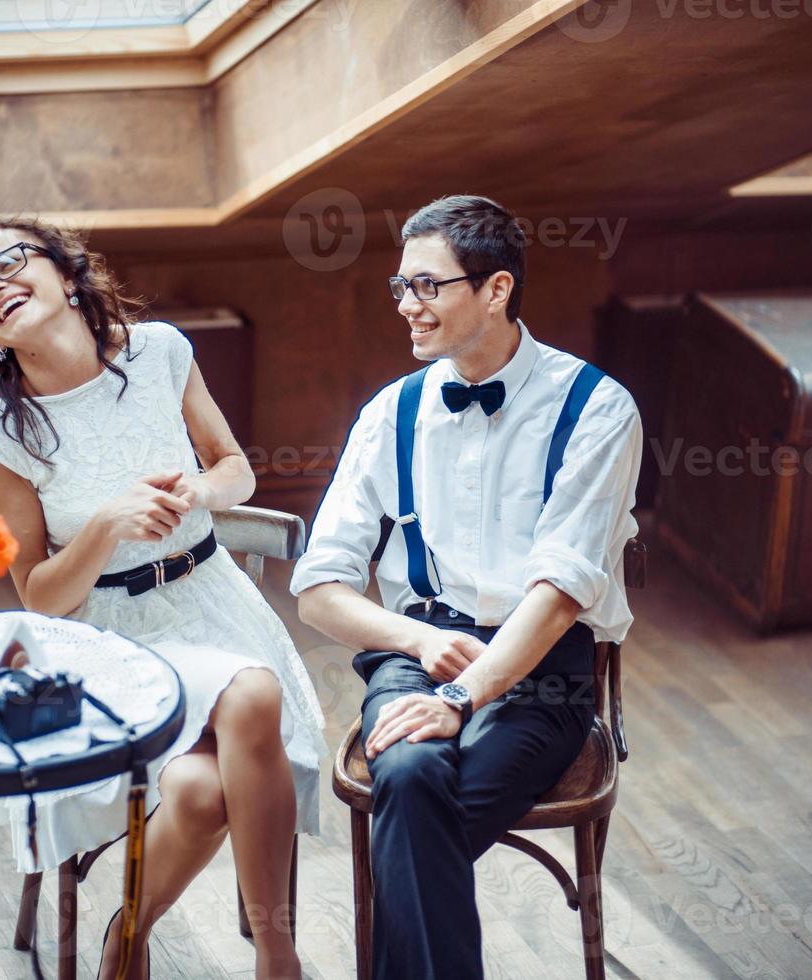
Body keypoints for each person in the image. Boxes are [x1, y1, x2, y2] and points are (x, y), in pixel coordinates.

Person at [0, 217, 323, 980]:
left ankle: (127, 932)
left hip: (209, 601)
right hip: (107, 637)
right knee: (252, 693)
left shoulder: (160, 352)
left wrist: (199, 487)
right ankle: (277, 956)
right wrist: (103, 526)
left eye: (9, 263)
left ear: (67, 275)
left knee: (196, 792)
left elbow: (235, 469)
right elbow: (40, 596)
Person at [291, 195, 642, 978]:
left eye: (427, 287)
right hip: (415, 658)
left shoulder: (597, 409)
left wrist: (462, 698)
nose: (407, 308)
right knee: (412, 772)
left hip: (543, 671)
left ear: (496, 289)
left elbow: (557, 594)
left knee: (412, 804)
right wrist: (420, 643)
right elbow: (318, 589)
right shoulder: (394, 412)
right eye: (400, 288)